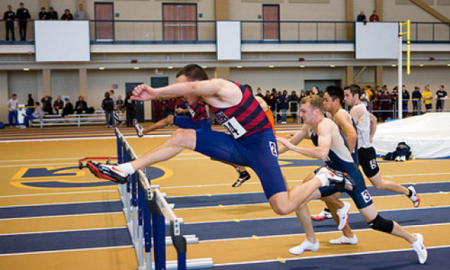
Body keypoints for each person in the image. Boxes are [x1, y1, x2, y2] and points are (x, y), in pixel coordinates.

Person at [87, 64, 354, 218]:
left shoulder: (221, 87)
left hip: (261, 146)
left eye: (183, 87)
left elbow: (190, 89)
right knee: (181, 136)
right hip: (238, 145)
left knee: (282, 206)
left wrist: (155, 92)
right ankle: (126, 169)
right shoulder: (206, 102)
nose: (182, 94)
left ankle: (324, 179)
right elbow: (193, 115)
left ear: (197, 83)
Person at [276, 95, 427, 264]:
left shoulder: (326, 126)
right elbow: (292, 141)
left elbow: (321, 153)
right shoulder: (309, 126)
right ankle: (312, 240)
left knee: (375, 222)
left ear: (316, 111)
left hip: (351, 177)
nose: (300, 114)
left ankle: (414, 239)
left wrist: (293, 148)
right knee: (298, 199)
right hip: (333, 174)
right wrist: (273, 154)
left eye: (303, 111)